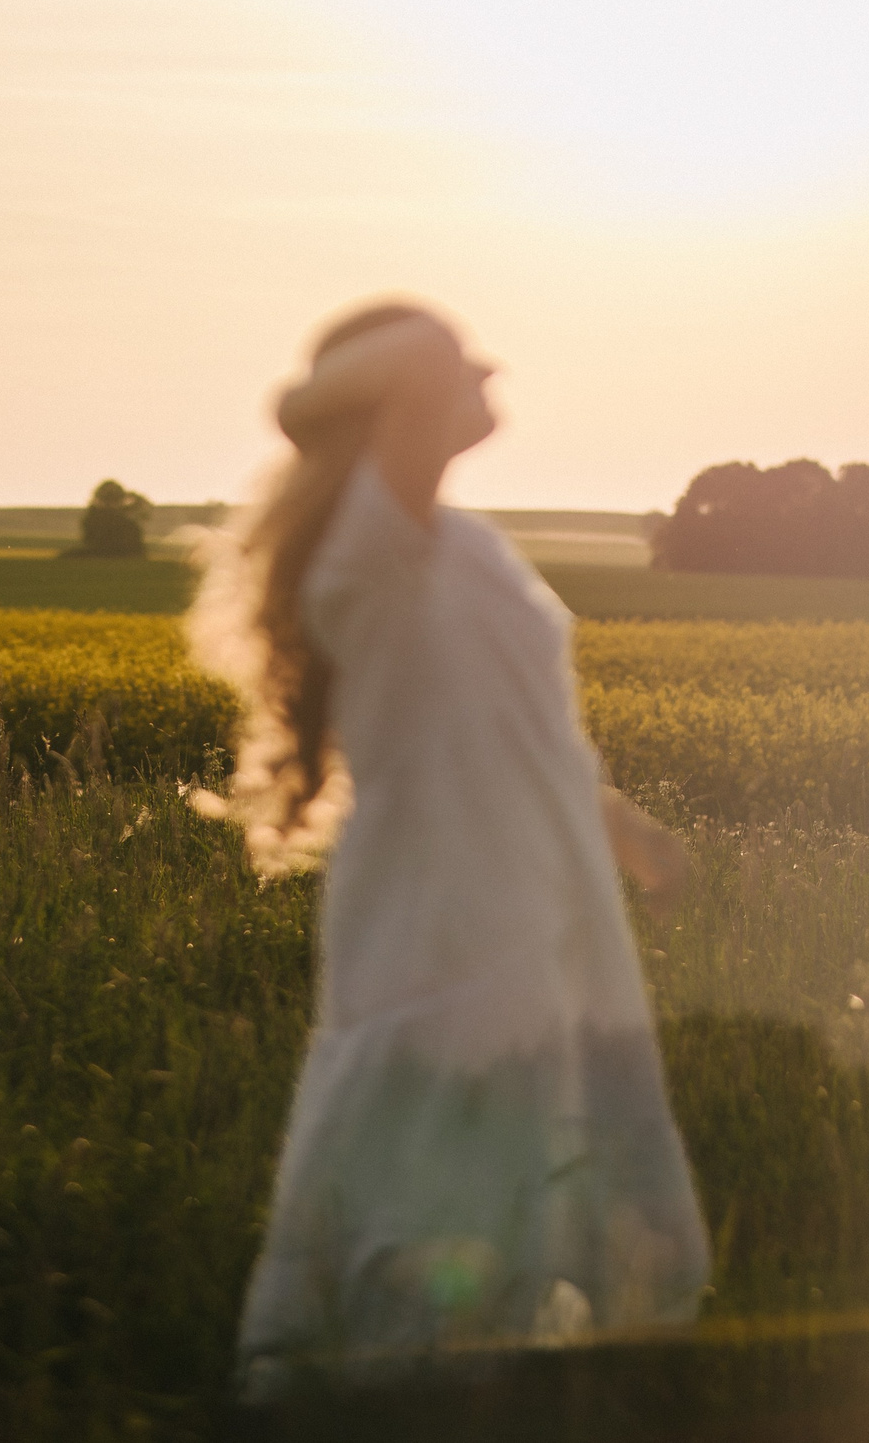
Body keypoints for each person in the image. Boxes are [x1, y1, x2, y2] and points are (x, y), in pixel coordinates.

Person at [188, 297, 710, 1393]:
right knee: (434, 1141)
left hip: (532, 894)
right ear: (392, 402)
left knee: (520, 1135)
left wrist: (624, 831)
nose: (482, 372)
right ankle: (382, 1380)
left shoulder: (461, 544)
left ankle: (456, 1372)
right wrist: (315, 397)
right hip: (442, 903)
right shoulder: (373, 546)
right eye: (456, 365)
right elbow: (417, 374)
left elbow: (524, 726)